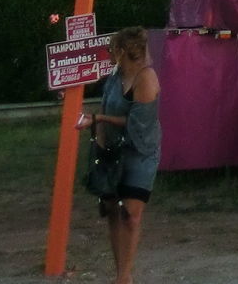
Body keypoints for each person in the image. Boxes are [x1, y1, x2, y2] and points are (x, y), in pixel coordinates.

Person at [78, 26, 161, 284]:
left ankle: (124, 277)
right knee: (112, 208)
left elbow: (137, 123)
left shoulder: (146, 78)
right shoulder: (115, 76)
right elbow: (104, 105)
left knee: (131, 214)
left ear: (123, 51)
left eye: (113, 49)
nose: (110, 53)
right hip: (113, 150)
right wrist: (100, 144)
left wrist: (99, 119)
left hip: (141, 151)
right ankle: (120, 272)